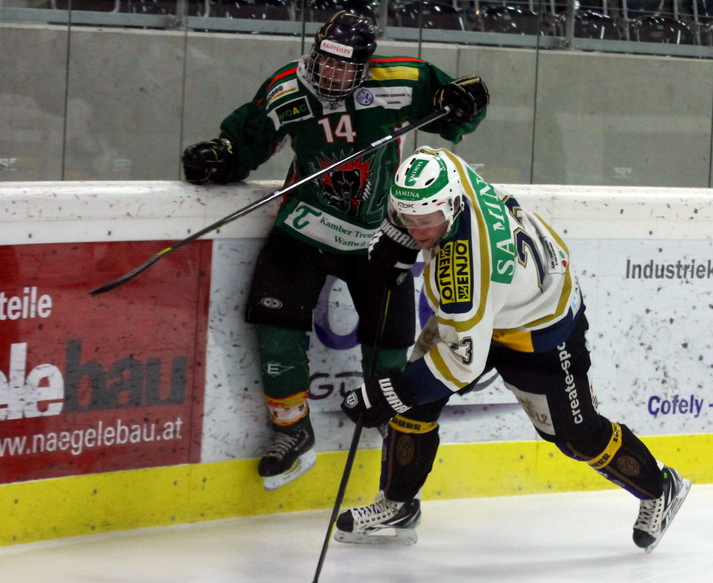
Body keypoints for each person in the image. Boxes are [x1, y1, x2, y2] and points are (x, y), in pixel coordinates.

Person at [181, 11, 489, 491]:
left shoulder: (403, 80)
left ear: (365, 66)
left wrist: (466, 104)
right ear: (315, 51)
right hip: (304, 229)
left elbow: (456, 115)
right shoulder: (286, 88)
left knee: (389, 343)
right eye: (326, 60)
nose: (332, 73)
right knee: (275, 328)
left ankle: (393, 427)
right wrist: (222, 157)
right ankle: (293, 432)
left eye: (345, 66)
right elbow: (246, 143)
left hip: (378, 236)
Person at [336, 147, 691, 552]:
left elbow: (461, 365)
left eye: (425, 221)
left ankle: (660, 487)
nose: (417, 230)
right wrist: (397, 232)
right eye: (408, 218)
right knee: (416, 404)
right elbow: (433, 155)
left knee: (575, 435)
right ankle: (397, 505)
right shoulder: (446, 172)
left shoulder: (466, 273)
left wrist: (390, 391)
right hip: (493, 305)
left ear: (451, 207)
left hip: (540, 327)